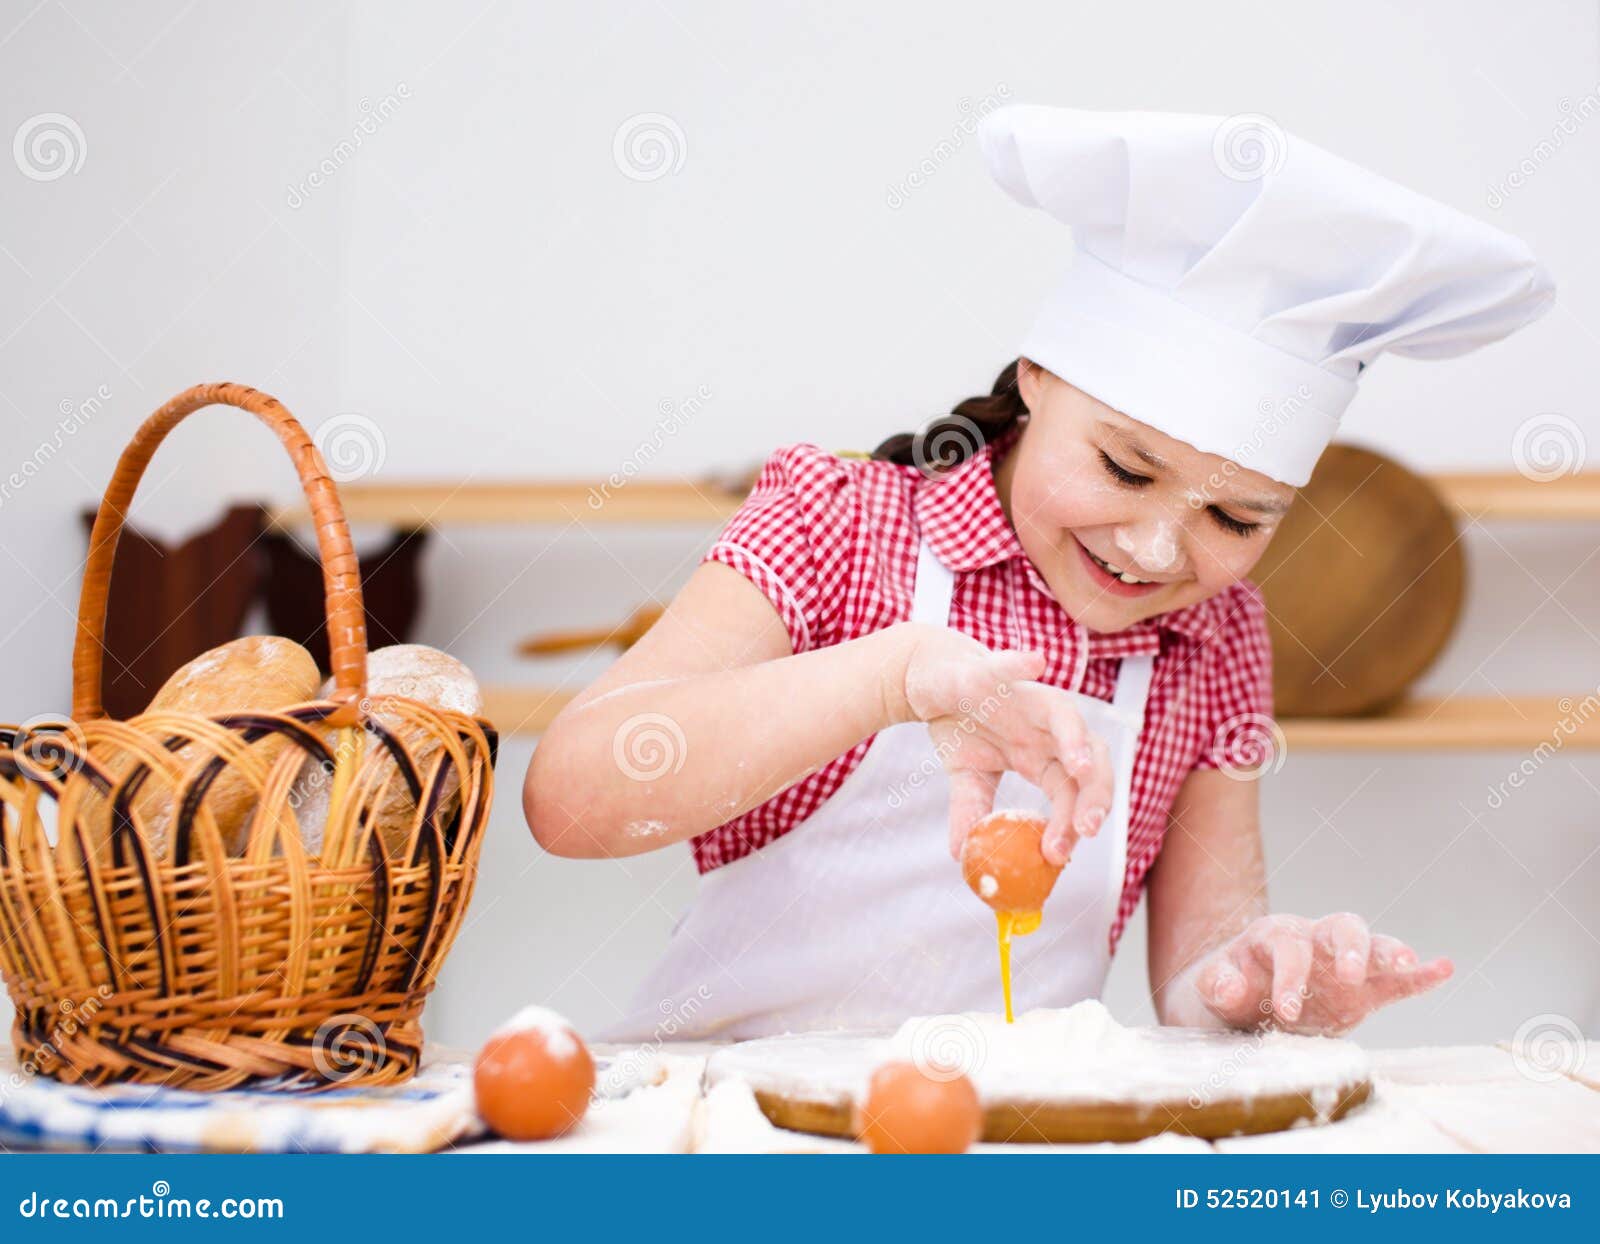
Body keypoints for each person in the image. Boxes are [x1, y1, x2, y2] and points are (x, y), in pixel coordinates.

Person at [524, 106, 1553, 1040]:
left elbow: (1198, 967)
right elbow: (572, 803)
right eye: (1123, 467)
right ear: (1036, 379)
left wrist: (1256, 975)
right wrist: (895, 676)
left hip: (1009, 1141)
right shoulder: (836, 520)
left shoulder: (1216, 634)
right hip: (733, 1130)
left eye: (1237, 516)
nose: (1155, 550)